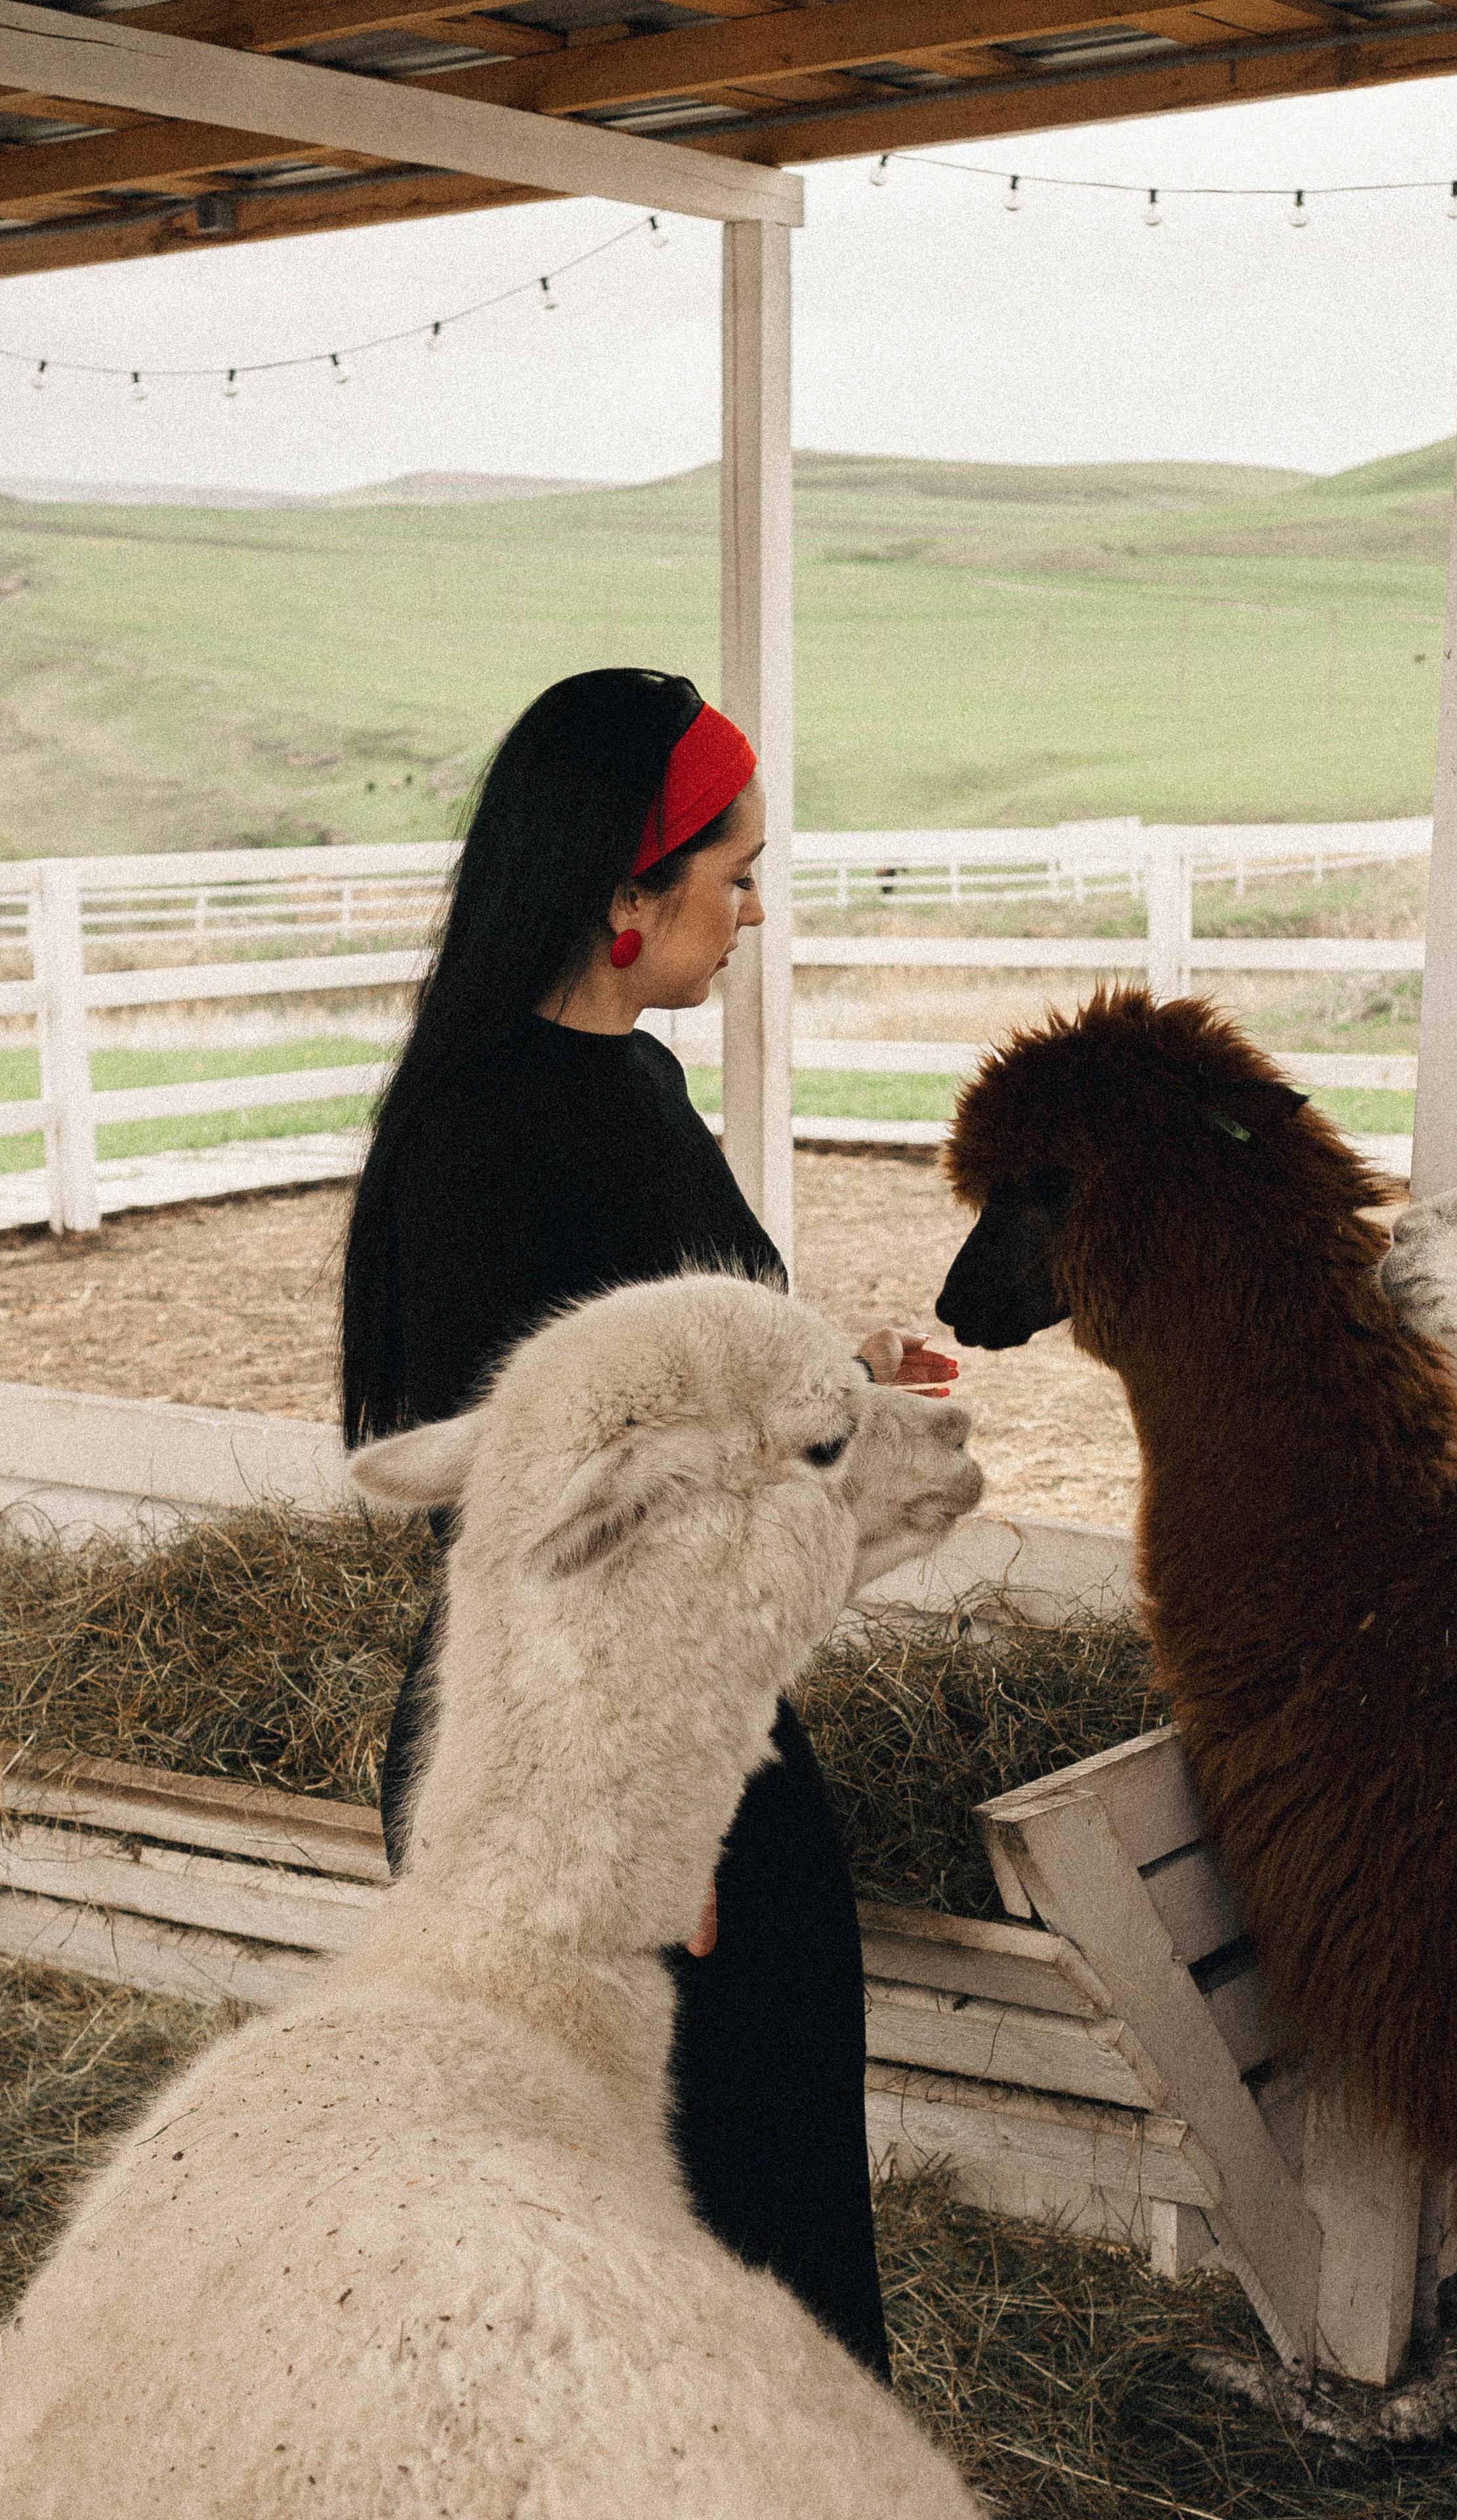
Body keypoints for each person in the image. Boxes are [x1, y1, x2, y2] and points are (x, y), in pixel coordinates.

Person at [341, 667, 956, 2384]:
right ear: (625, 895)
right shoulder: (478, 1136)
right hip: (584, 1769)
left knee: (773, 2223)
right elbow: (529, 1520)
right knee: (658, 2264)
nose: (754, 907)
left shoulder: (639, 1090)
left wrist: (835, 1369)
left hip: (706, 1732)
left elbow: (666, 1371)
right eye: (732, 870)